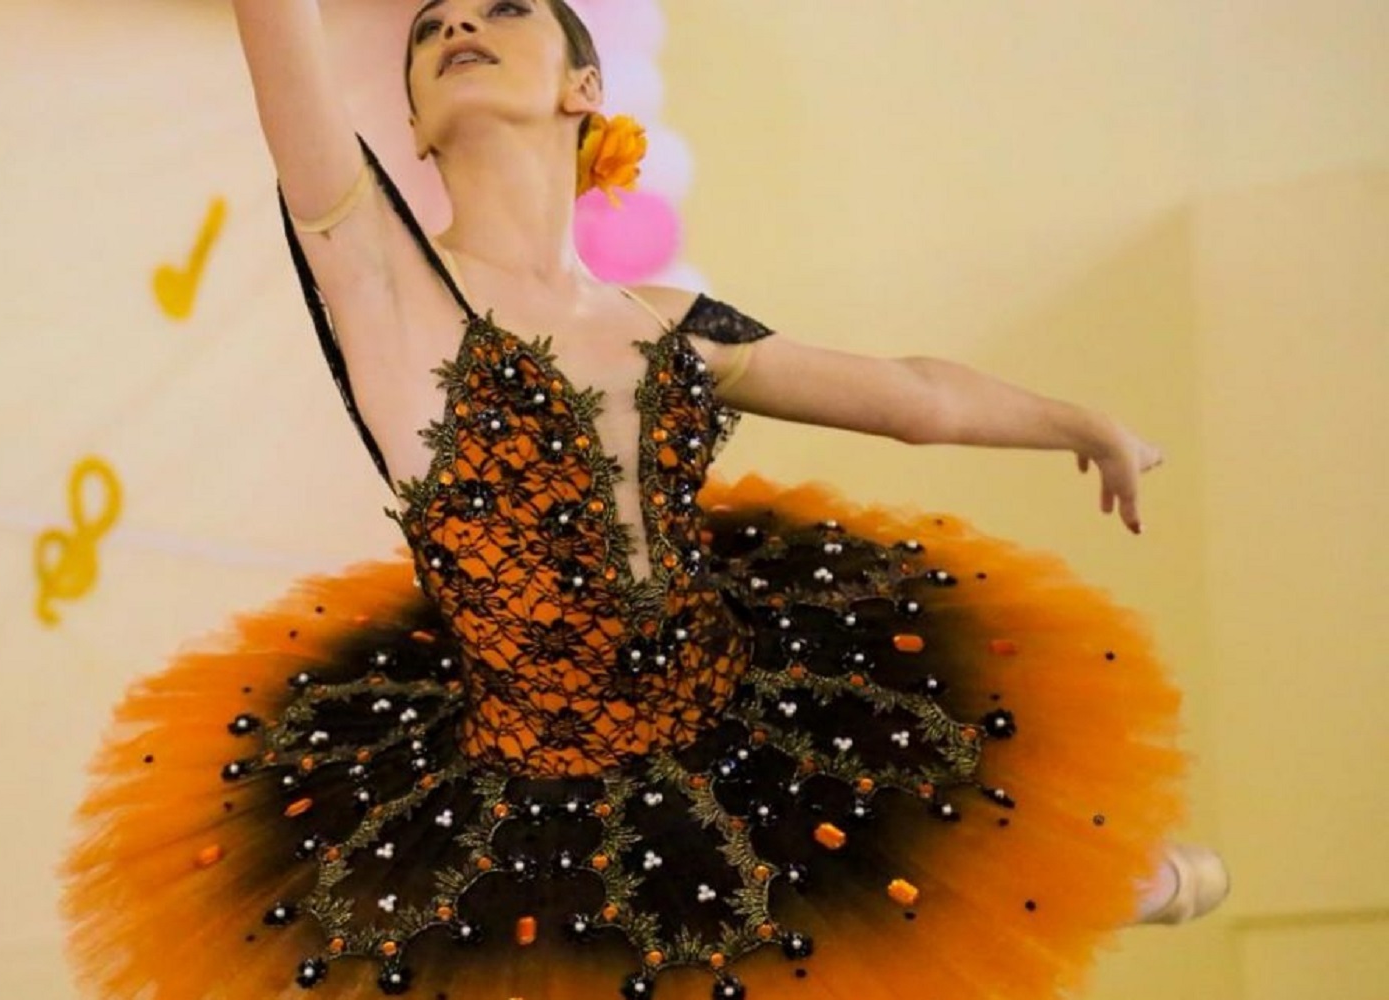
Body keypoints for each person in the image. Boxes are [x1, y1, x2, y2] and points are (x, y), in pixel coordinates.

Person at [61, 2, 1227, 998]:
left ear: (583, 88)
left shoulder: (669, 322)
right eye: (430, 30)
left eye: (502, 9)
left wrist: (1082, 424)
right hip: (530, 792)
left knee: (1096, 873)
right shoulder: (381, 275)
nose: (459, 23)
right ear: (410, 123)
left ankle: (1096, 882)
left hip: (746, 719)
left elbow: (915, 397)